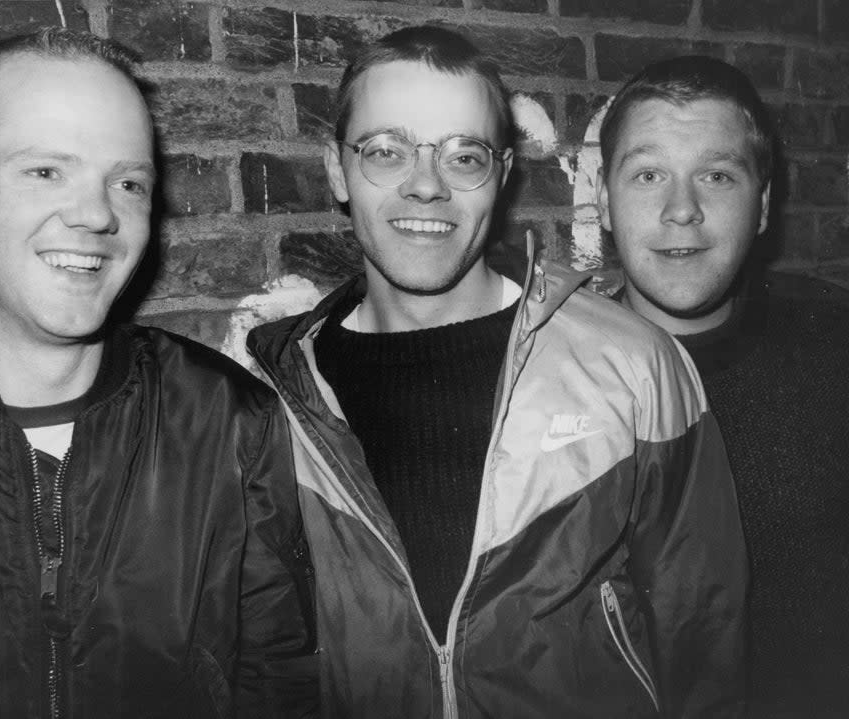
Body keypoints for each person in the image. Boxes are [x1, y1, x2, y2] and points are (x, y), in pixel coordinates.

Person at [248, 25, 747, 719]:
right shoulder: (268, 401)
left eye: (465, 155)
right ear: (337, 168)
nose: (426, 185)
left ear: (502, 173)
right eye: (386, 151)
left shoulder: (635, 366)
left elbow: (705, 646)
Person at [0, 28, 316, 718]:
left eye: (127, 181)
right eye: (45, 171)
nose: (95, 213)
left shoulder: (229, 419)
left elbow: (279, 684)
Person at [597, 54, 849, 717]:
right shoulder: (549, 374)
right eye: (649, 175)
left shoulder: (832, 343)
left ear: (763, 206)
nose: (682, 210)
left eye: (716, 174)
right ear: (602, 199)